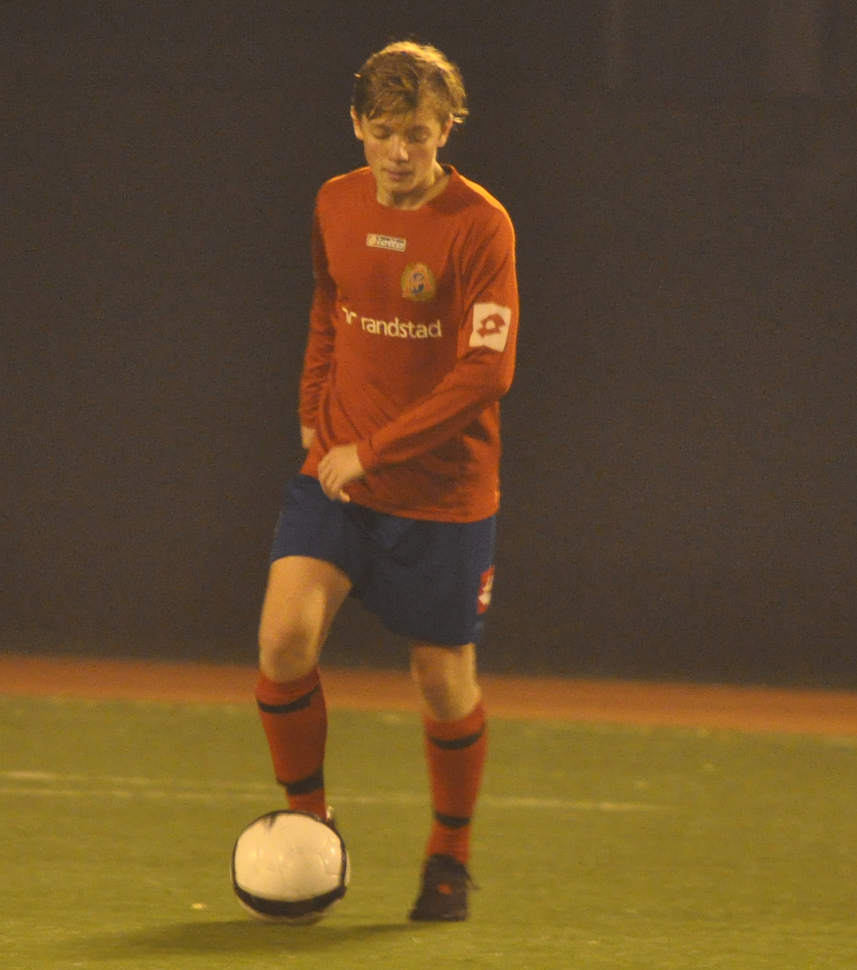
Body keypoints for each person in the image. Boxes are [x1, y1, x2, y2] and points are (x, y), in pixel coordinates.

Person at [254, 39, 518, 923]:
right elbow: (329, 305)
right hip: (336, 477)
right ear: (357, 125)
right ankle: (312, 831)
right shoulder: (335, 200)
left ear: (447, 130)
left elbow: (487, 372)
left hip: (442, 494)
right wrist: (312, 410)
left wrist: (374, 450)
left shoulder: (480, 225)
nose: (399, 153)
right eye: (383, 132)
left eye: (418, 134)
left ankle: (449, 858)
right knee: (284, 641)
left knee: (442, 681)